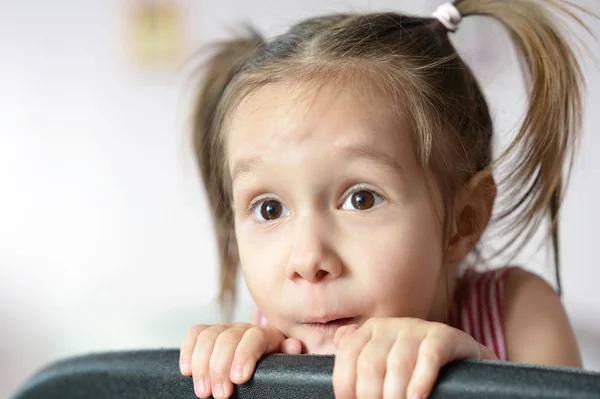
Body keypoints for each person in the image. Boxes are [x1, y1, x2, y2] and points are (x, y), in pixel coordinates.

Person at [179, 0, 589, 398]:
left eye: (361, 200)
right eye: (270, 209)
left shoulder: (518, 312)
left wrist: (474, 378)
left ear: (462, 221)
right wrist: (232, 382)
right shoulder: (276, 339)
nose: (307, 261)